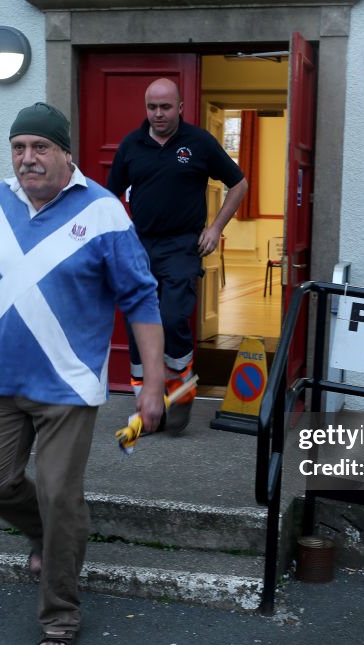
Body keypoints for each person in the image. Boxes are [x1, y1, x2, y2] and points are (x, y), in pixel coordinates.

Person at [0, 102, 164, 645]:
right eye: (19, 148)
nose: (27, 159)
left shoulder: (104, 212)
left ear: (65, 154)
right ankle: (48, 535)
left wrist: (152, 381)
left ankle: (60, 614)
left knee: (60, 495)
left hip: (68, 385)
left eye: (40, 148)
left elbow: (141, 297)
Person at [106, 77, 248, 432]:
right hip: (140, 247)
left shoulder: (198, 142)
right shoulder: (131, 145)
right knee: (140, 323)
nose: (158, 114)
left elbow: (239, 183)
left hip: (182, 246)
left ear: (180, 107)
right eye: (152, 107)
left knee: (171, 318)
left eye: (165, 107)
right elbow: (109, 198)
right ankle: (146, 402)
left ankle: (180, 388)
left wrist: (215, 228)